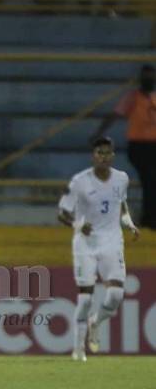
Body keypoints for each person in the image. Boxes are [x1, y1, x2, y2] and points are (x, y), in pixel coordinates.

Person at [58, 136, 138, 362]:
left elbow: (121, 206)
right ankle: (78, 349)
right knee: (85, 300)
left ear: (112, 155)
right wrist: (78, 224)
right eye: (99, 153)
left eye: (107, 153)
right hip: (86, 244)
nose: (103, 157)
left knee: (115, 296)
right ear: (93, 156)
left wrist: (129, 223)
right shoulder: (80, 182)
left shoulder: (121, 178)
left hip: (112, 241)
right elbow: (62, 212)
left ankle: (95, 321)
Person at [95, 65, 156, 229]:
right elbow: (116, 114)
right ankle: (148, 217)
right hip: (139, 146)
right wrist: (99, 132)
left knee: (150, 181)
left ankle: (148, 216)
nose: (149, 80)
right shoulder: (133, 97)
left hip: (153, 146)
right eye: (146, 76)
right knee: (149, 179)